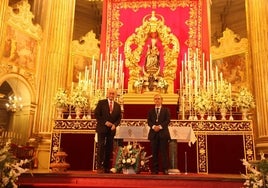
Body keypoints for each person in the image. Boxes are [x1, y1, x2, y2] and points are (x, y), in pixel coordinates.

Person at [94, 88, 122, 173]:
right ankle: (99, 167)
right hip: (102, 128)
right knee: (101, 147)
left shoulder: (117, 105)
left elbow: (119, 118)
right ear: (107, 94)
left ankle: (106, 167)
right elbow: (97, 114)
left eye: (113, 94)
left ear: (115, 95)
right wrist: (105, 122)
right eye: (110, 93)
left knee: (109, 148)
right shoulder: (101, 103)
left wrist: (115, 125)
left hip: (111, 130)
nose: (111, 95)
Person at [147, 93, 171, 175]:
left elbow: (167, 120)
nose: (157, 100)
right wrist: (154, 127)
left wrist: (160, 127)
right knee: (154, 152)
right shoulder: (151, 111)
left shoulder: (166, 110)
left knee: (164, 152)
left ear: (162, 100)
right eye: (156, 99)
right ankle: (155, 169)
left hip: (163, 134)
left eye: (159, 99)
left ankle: (165, 169)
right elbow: (149, 121)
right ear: (154, 100)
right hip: (153, 134)